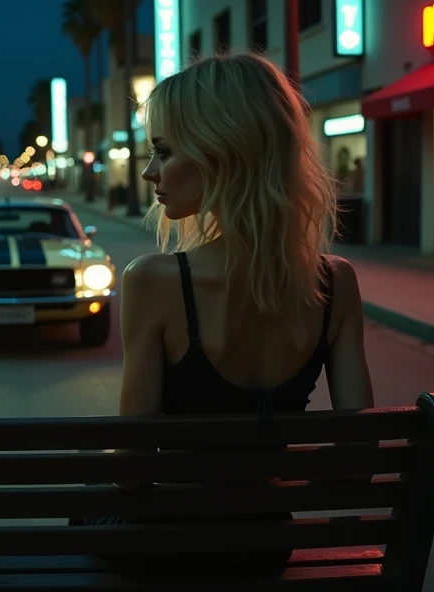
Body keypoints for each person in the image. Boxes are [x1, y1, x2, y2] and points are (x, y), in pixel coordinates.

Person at [79, 53, 376, 576]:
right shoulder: (336, 284)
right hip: (261, 546)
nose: (149, 171)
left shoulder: (154, 281)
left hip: (160, 547)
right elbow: (358, 462)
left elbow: (131, 471)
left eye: (164, 152)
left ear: (223, 154)